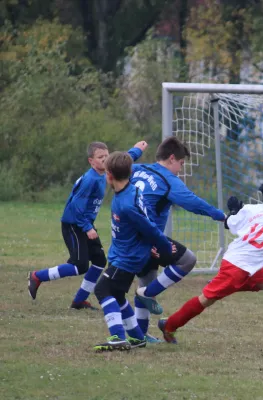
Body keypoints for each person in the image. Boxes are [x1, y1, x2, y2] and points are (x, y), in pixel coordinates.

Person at [156, 178, 263, 344]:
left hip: (241, 260)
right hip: (238, 266)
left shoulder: (251, 209)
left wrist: (235, 211)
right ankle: (169, 325)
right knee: (206, 299)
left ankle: (226, 287)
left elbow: (228, 223)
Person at [27, 140, 148, 309]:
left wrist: (137, 150)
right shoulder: (90, 180)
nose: (105, 160)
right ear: (91, 161)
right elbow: (76, 207)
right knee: (79, 265)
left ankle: (79, 301)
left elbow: (121, 161)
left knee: (99, 261)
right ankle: (37, 276)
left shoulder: (106, 171)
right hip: (73, 224)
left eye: (106, 156)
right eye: (100, 157)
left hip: (85, 223)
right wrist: (87, 227)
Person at [129, 137, 226, 341]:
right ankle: (147, 294)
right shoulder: (167, 180)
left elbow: (116, 167)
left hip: (129, 235)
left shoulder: (137, 169)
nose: (180, 170)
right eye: (181, 164)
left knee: (147, 277)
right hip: (148, 237)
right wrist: (221, 215)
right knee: (187, 260)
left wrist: (134, 152)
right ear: (172, 158)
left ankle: (140, 334)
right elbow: (192, 202)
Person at [93, 151, 173, 352]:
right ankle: (137, 337)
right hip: (123, 254)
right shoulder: (130, 191)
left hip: (127, 259)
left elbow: (149, 228)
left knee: (102, 289)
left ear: (109, 175)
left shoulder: (127, 205)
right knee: (118, 295)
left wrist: (163, 247)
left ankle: (118, 336)